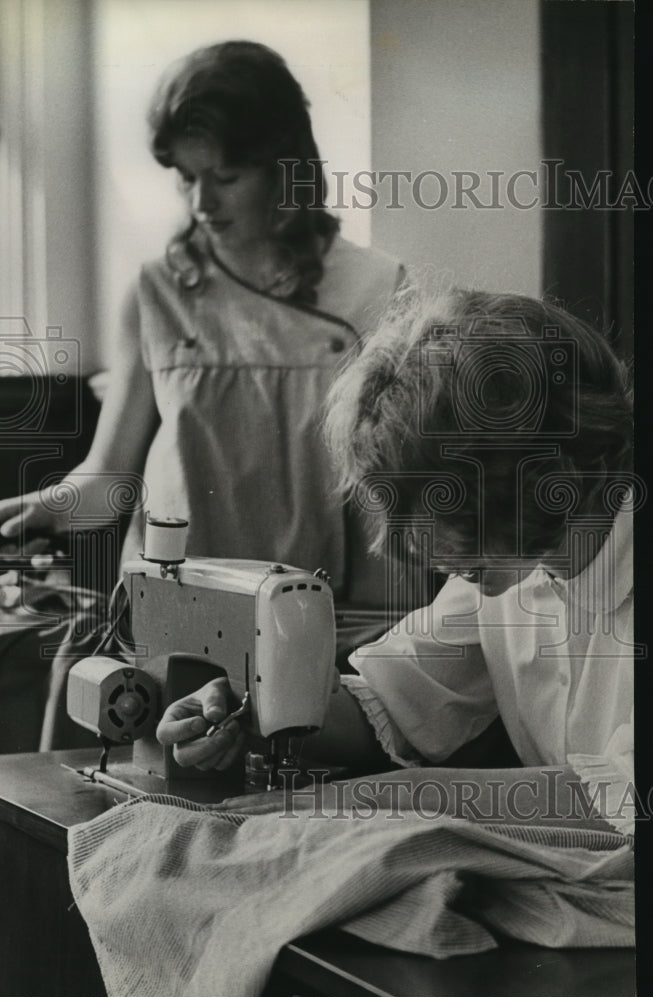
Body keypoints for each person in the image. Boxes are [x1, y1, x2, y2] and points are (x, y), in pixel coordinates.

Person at [0, 41, 406, 750]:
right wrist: (48, 507)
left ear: (287, 169)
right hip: (171, 620)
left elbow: (380, 492)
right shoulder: (157, 291)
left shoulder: (372, 288)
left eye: (227, 176)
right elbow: (111, 475)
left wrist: (381, 631)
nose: (201, 203)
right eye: (186, 178)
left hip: (316, 621)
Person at [157, 287, 635, 833]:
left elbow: (624, 794)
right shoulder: (514, 564)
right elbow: (397, 699)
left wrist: (383, 799)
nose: (412, 547)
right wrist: (254, 714)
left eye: (441, 503)